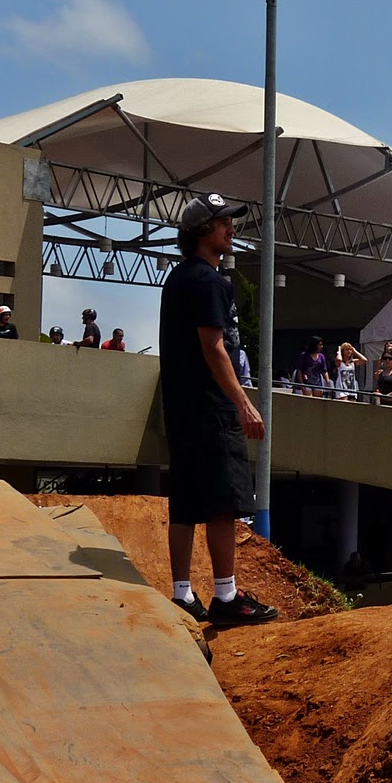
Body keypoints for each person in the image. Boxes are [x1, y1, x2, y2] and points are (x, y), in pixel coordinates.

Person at [158, 191, 278, 626]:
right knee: (222, 504)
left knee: (186, 503)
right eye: (224, 221)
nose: (232, 228)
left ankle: (181, 593)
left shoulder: (178, 278)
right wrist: (243, 403)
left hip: (181, 409)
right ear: (203, 230)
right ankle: (226, 597)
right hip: (210, 409)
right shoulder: (210, 281)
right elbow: (215, 347)